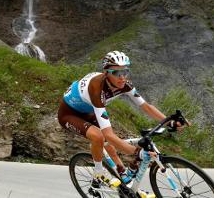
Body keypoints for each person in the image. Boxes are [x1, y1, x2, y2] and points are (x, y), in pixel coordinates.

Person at [58, 51, 175, 194]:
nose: (123, 77)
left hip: (89, 111)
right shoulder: (97, 88)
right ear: (106, 72)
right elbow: (108, 134)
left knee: (109, 143)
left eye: (126, 72)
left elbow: (146, 107)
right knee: (99, 137)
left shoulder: (125, 84)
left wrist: (169, 121)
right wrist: (135, 152)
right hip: (69, 114)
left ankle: (121, 172)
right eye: (117, 73)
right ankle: (99, 172)